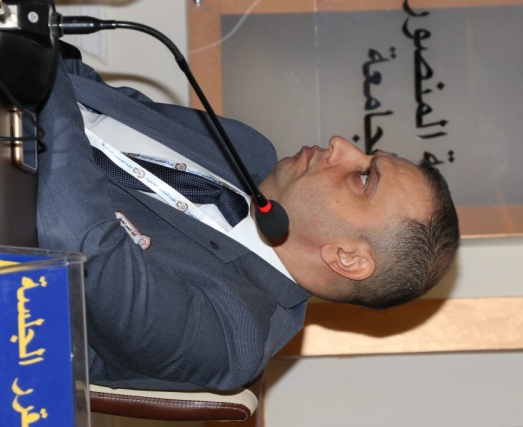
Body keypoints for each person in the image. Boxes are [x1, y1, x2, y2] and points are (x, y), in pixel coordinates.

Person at [36, 44, 460, 392]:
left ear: (347, 257)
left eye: (365, 178)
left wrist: (33, 75)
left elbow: (77, 242)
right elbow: (96, 95)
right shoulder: (249, 148)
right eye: (367, 154)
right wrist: (39, 45)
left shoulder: (235, 337)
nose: (341, 145)